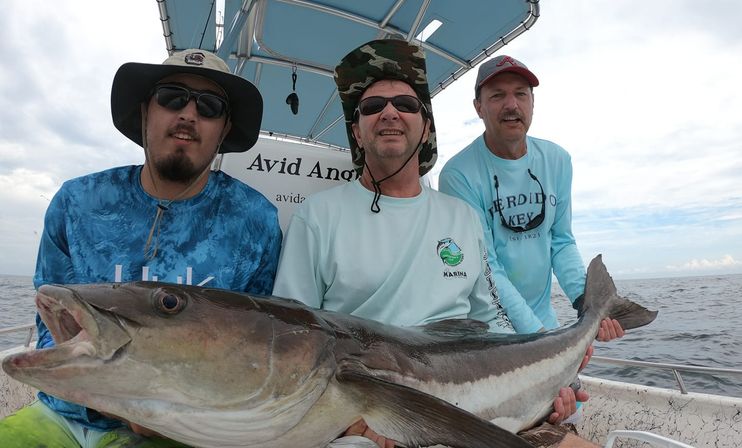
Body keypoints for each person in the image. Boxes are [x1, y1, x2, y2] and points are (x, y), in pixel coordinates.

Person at [273, 39, 584, 448]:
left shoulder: (461, 218)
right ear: (357, 133)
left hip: (467, 411)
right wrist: (342, 420)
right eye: (371, 107)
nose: (389, 113)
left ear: (425, 128)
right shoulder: (317, 217)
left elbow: (492, 321)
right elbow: (292, 342)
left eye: (405, 104)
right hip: (365, 423)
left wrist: (540, 388)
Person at [0, 49, 282, 447]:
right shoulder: (76, 201)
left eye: (210, 105)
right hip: (58, 415)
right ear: (146, 112)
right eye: (171, 97)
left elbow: (250, 351)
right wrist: (109, 395)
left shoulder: (255, 220)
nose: (188, 113)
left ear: (224, 129)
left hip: (178, 430)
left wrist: (166, 407)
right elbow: (51, 327)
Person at [439, 55, 624, 341]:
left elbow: (561, 241)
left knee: (570, 388)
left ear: (533, 103)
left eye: (521, 94)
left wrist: (585, 305)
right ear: (478, 107)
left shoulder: (557, 160)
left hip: (544, 326)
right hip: (489, 334)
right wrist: (538, 338)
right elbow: (485, 266)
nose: (511, 105)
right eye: (498, 95)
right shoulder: (458, 175)